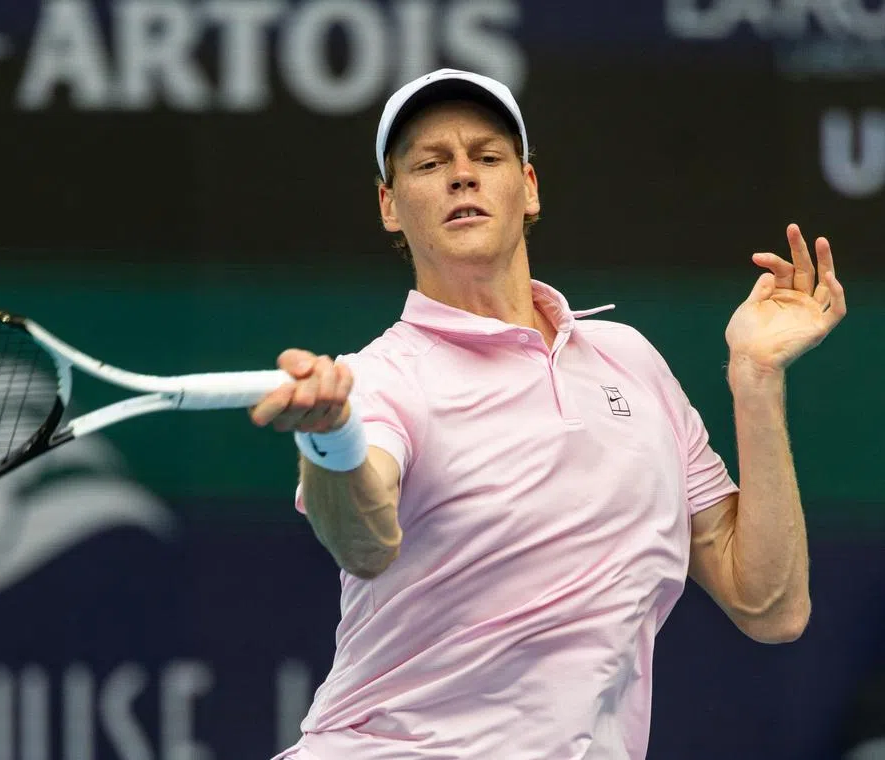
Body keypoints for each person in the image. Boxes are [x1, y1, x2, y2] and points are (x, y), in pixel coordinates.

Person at [250, 69, 847, 760]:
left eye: (487, 157)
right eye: (431, 163)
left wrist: (757, 379)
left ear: (527, 187)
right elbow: (363, 542)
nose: (463, 176)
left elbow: (770, 605)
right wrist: (333, 442)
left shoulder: (631, 362)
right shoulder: (382, 380)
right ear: (391, 204)